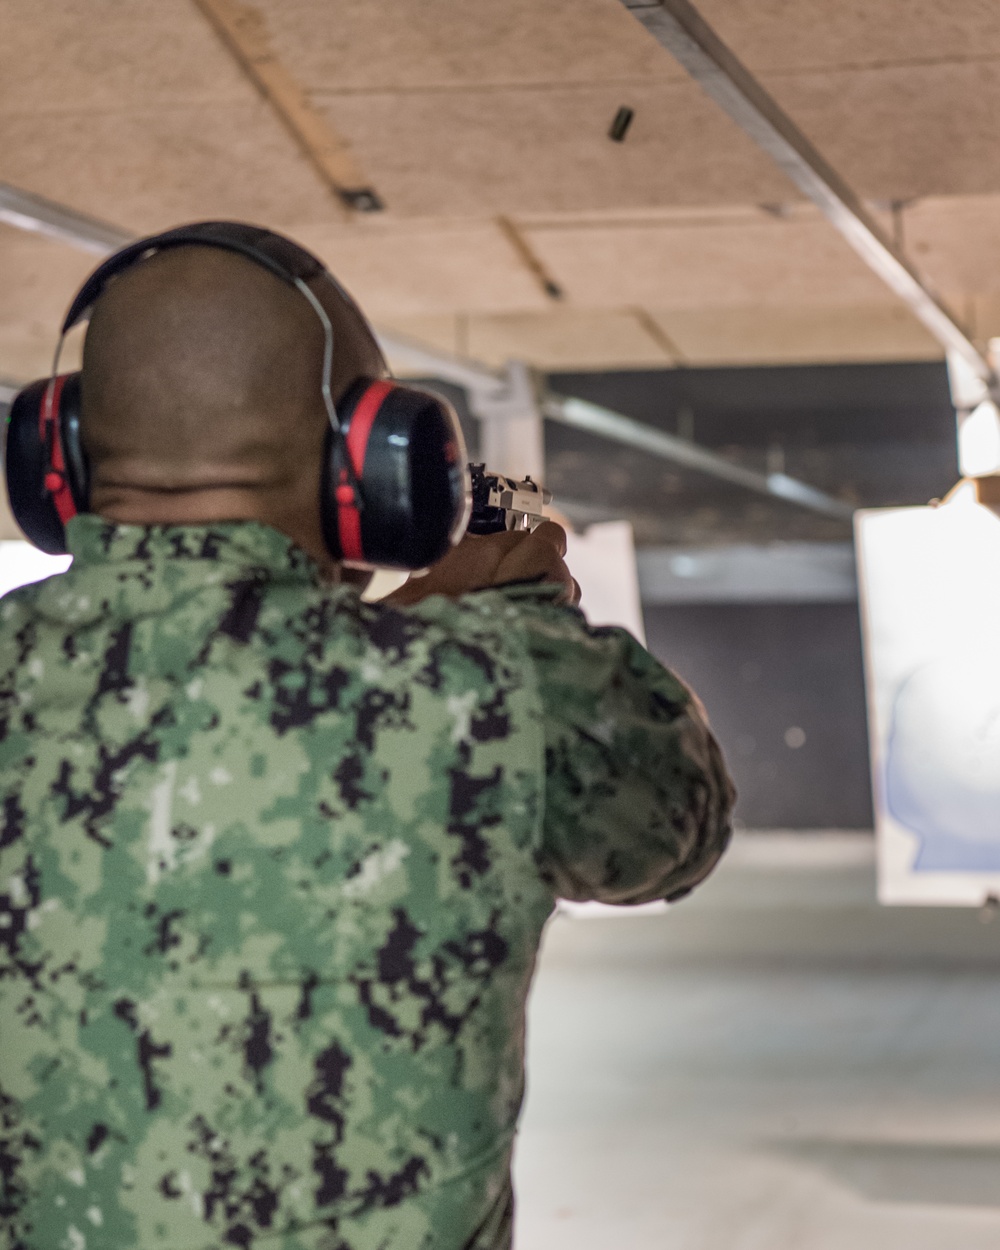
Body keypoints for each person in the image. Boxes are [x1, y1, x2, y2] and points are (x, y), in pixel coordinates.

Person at [0, 234, 734, 1250]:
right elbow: (672, 828)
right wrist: (521, 620)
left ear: (62, 450)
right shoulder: (489, 689)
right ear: (371, 463)